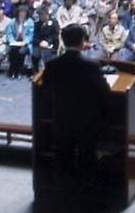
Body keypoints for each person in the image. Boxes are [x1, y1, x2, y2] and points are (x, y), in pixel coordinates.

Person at [40, 23, 112, 198]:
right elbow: (104, 92)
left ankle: (64, 197)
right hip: (86, 121)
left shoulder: (51, 65)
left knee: (63, 157)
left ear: (63, 42)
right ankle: (86, 197)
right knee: (87, 158)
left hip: (61, 119)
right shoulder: (91, 65)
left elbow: (46, 93)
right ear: (82, 42)